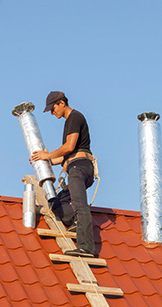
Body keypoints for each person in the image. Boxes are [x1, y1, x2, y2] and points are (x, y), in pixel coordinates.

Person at [31, 91, 95, 258]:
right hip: (75, 167)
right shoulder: (69, 122)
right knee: (56, 203)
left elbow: (69, 147)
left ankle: (86, 247)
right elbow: (64, 156)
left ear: (61, 103)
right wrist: (44, 160)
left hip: (79, 168)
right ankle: (77, 221)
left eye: (53, 109)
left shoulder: (75, 117)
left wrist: (48, 155)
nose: (53, 113)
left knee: (80, 204)